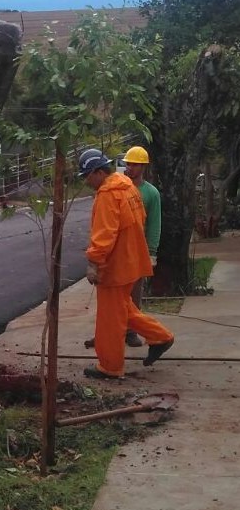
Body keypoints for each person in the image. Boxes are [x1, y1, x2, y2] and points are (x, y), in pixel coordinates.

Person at [77, 148, 174, 379]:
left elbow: (104, 234)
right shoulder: (127, 187)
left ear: (98, 172)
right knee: (124, 308)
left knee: (111, 319)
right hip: (130, 261)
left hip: (116, 267)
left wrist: (94, 263)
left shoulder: (109, 194)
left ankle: (110, 367)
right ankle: (161, 337)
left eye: (86, 176)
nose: (86, 181)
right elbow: (138, 221)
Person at [122, 145, 162, 346]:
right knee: (114, 295)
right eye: (128, 163)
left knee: (135, 293)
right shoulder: (119, 188)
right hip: (120, 251)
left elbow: (155, 224)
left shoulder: (150, 193)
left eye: (134, 164)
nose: (130, 167)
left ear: (143, 167)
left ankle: (131, 331)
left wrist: (152, 252)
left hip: (139, 251)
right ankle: (111, 330)